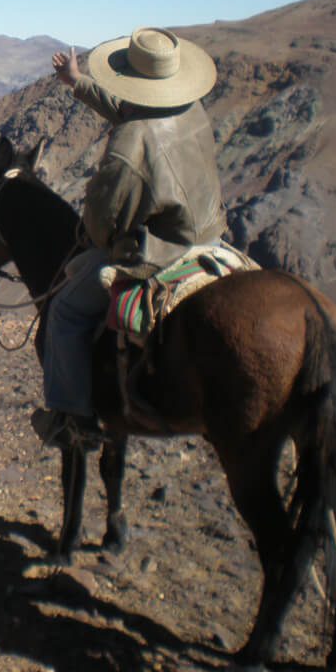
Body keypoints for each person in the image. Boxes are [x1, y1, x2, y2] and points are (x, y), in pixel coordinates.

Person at [33, 27, 225, 445]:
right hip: (211, 237)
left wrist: (97, 234)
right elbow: (131, 113)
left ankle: (72, 419)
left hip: (161, 249)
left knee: (64, 311)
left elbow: (104, 218)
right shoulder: (193, 109)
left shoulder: (129, 141)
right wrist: (77, 82)